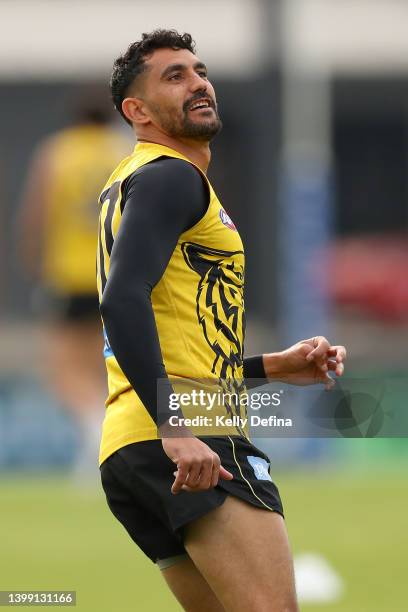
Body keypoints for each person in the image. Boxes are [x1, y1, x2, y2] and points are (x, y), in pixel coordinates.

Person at [98, 30, 347, 612]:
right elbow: (121, 300)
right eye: (174, 76)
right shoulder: (170, 176)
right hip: (188, 435)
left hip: (133, 445)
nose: (198, 82)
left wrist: (271, 366)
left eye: (199, 70)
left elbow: (166, 331)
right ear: (136, 111)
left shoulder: (136, 181)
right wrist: (176, 428)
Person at [18, 93, 130, 477]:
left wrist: (33, 259)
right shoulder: (123, 151)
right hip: (115, 271)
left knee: (64, 367)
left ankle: (95, 432)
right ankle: (113, 438)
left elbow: (39, 212)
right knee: (112, 363)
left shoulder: (57, 152)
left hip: (69, 275)